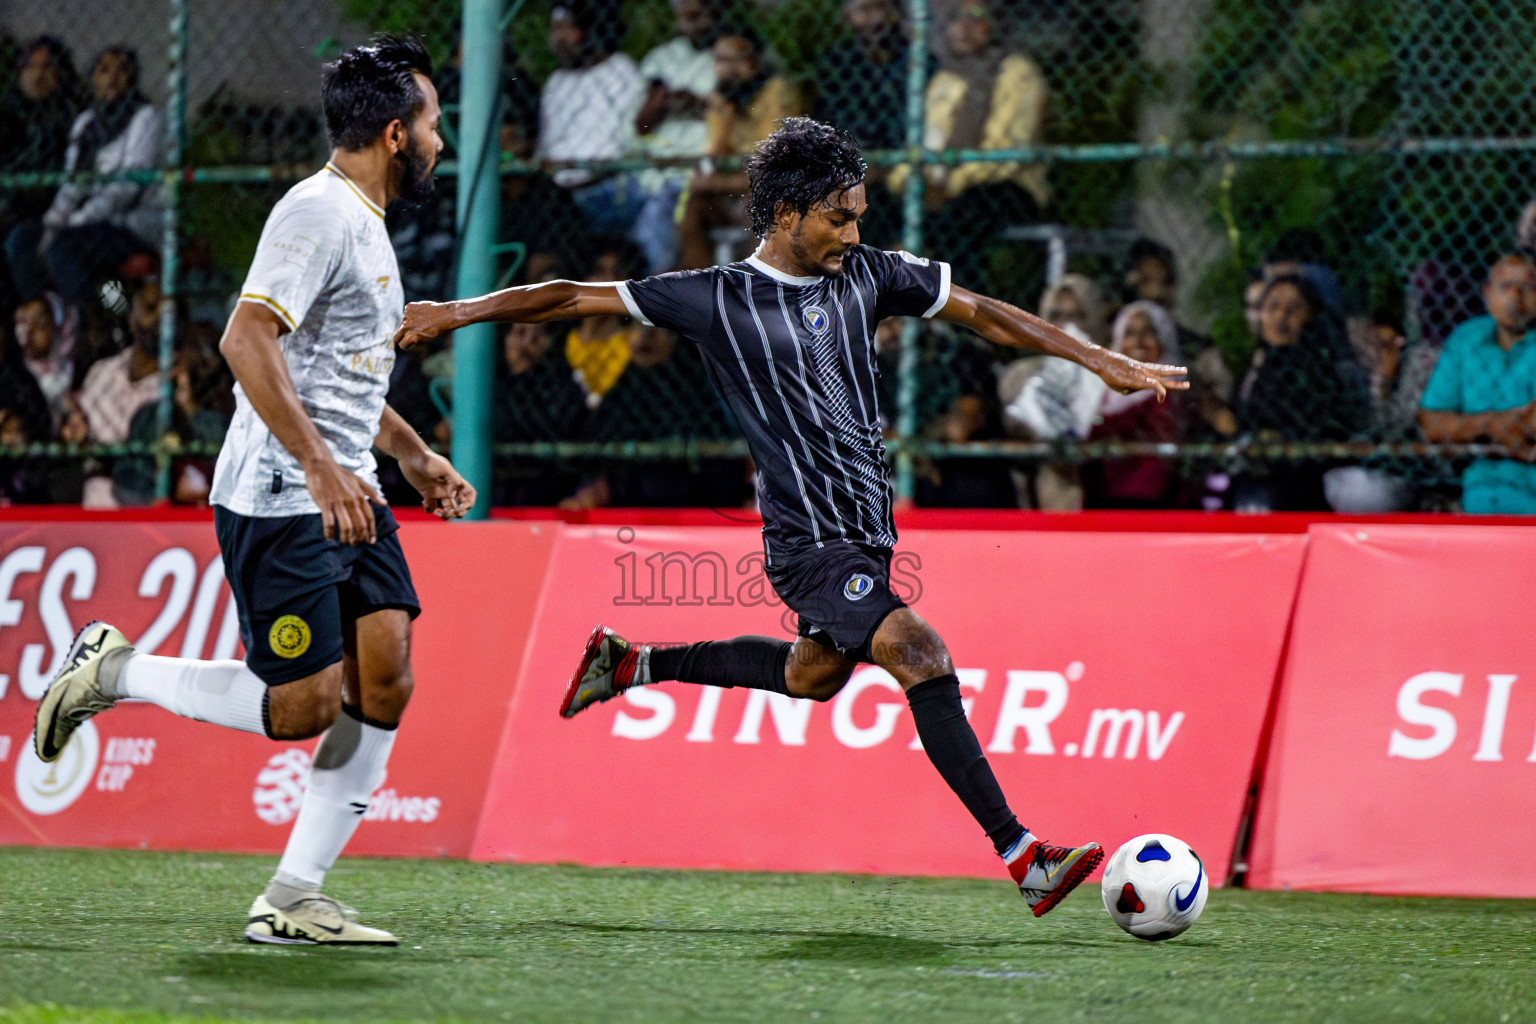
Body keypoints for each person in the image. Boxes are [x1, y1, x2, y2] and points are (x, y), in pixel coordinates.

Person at [395, 117, 1187, 915]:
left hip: (870, 537)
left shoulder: (872, 274)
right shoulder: (715, 299)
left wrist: (1101, 360)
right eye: (838, 216)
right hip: (807, 544)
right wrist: (453, 313)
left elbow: (981, 312)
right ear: (784, 216)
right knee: (919, 650)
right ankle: (1025, 856)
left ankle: (632, 663)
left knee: (814, 676)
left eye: (858, 214)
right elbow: (568, 296)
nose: (854, 229)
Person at [33, 36, 475, 946]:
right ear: (396, 133)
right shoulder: (315, 213)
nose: (443, 141)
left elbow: (340, 374)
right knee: (303, 704)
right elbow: (246, 342)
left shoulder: (366, 219)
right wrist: (318, 466)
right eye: (434, 123)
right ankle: (113, 672)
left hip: (346, 488)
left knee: (384, 673)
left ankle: (292, 896)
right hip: (283, 492)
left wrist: (414, 454)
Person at [888, 0, 1048, 289]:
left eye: (976, 18)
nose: (963, 28)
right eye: (955, 19)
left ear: (996, 24)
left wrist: (951, 185)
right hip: (939, 187)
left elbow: (1005, 154)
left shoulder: (1017, 73)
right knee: (873, 206)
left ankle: (955, 309)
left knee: (963, 216)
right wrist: (907, 181)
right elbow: (922, 141)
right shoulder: (944, 79)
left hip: (1004, 186)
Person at [5, 47, 161, 307]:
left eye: (121, 69)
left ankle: (104, 316)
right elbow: (72, 183)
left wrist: (78, 220)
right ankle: (49, 317)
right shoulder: (86, 123)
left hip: (128, 222)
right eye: (103, 70)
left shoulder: (144, 117)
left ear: (132, 77)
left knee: (64, 250)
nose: (112, 77)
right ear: (93, 79)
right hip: (86, 221)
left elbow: (127, 186)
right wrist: (55, 221)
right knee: (21, 240)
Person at [1234, 273, 1370, 511]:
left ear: (1310, 318)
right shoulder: (1255, 363)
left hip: (1302, 482)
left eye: (1293, 309)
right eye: (1273, 306)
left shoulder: (1316, 369)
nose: (1280, 316)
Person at [1419, 253, 1536, 513]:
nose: (1515, 298)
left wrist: (1465, 428)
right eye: (1505, 287)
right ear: (1487, 294)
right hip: (1477, 490)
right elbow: (1433, 423)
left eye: (1528, 288)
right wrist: (1493, 425)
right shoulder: (1465, 339)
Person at [677, 27, 802, 268]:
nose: (729, 69)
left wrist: (715, 181)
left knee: (756, 206)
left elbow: (770, 169)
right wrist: (728, 110)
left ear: (756, 59)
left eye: (738, 59)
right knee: (690, 211)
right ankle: (699, 291)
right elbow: (715, 155)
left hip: (774, 187)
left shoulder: (777, 90)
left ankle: (756, 290)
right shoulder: (721, 97)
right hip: (735, 183)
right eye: (721, 60)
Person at [1082, 301, 1188, 509]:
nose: (1138, 341)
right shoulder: (1103, 391)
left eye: (1148, 332)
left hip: (1149, 501)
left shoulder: (1172, 389)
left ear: (1163, 340)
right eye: (1129, 334)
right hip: (1101, 495)